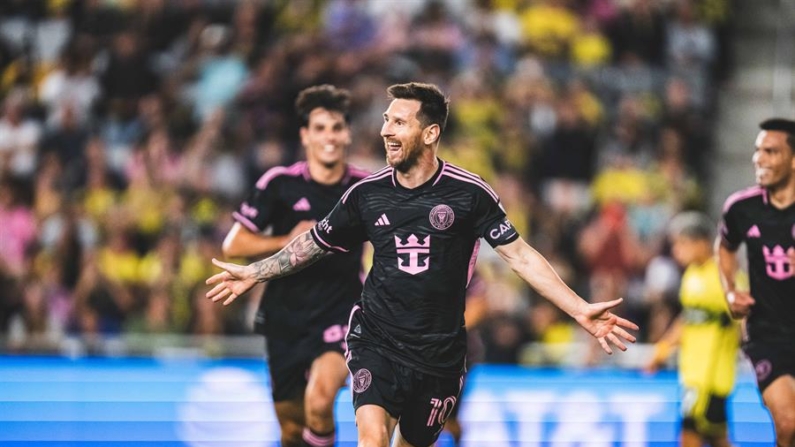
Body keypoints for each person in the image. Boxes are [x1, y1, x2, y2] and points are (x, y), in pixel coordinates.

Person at [207, 82, 639, 447]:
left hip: (440, 355)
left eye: (398, 122)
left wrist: (580, 308)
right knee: (371, 439)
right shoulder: (365, 194)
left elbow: (520, 255)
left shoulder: (470, 194)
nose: (386, 131)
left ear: (430, 133)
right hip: (375, 340)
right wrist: (254, 271)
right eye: (385, 121)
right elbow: (313, 243)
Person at [221, 84, 369, 447]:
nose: (329, 137)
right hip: (285, 314)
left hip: (342, 312)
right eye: (320, 128)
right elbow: (233, 244)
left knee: (319, 402)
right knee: (291, 428)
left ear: (347, 133)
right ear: (305, 135)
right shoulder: (280, 184)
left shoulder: (366, 189)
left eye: (336, 127)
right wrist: (289, 240)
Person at [717, 118, 795, 447]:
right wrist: (731, 290)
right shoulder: (741, 208)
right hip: (767, 334)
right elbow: (724, 248)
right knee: (788, 422)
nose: (758, 158)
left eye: (770, 151)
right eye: (757, 150)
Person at [645, 211, 740, 447]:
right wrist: (663, 349)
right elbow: (687, 320)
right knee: (709, 437)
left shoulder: (725, 276)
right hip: (692, 374)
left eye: (682, 243)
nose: (676, 251)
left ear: (702, 242)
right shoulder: (691, 275)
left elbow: (744, 319)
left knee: (695, 437)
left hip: (714, 375)